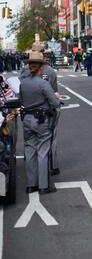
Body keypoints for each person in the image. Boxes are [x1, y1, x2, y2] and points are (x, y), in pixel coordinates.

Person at [20, 52, 61, 194]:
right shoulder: (43, 84)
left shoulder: (23, 83)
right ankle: (44, 186)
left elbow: (22, 100)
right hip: (41, 119)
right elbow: (55, 102)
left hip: (26, 119)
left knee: (29, 150)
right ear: (41, 68)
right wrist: (55, 96)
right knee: (43, 151)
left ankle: (31, 185)